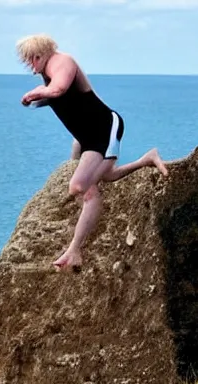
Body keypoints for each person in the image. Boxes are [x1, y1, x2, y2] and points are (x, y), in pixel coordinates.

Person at [16, 34, 169, 271]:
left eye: (31, 58)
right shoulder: (50, 72)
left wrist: (37, 92)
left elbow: (58, 90)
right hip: (86, 137)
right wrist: (38, 97)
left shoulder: (62, 62)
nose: (29, 64)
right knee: (104, 176)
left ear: (40, 53)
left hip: (104, 128)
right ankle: (147, 159)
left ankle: (75, 249)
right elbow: (63, 97)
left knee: (79, 186)